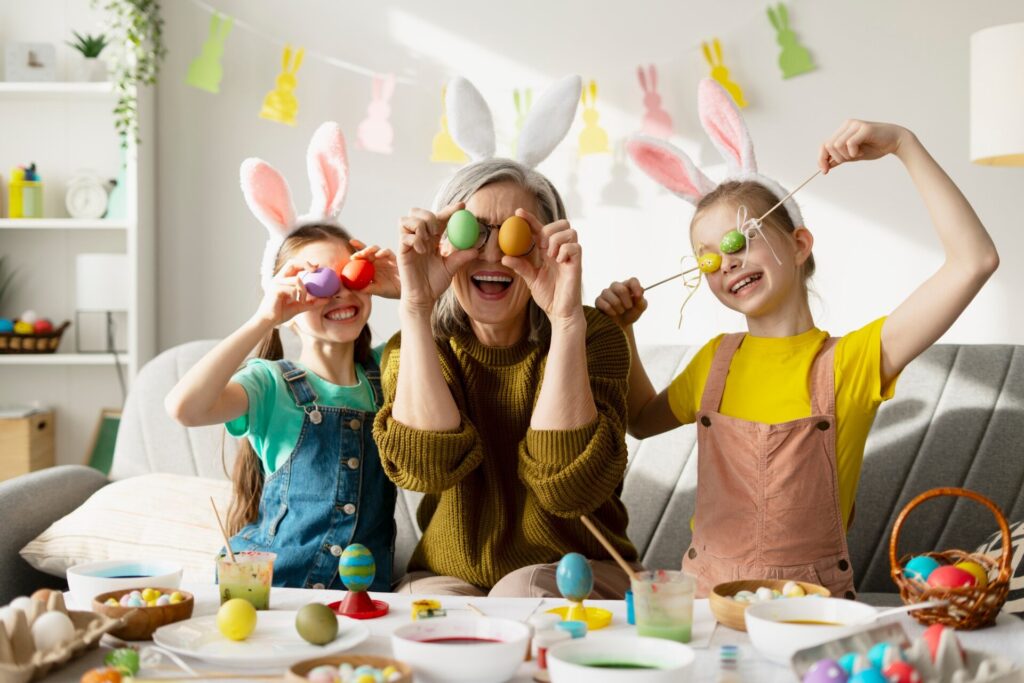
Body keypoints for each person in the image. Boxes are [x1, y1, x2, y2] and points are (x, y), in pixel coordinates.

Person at [597, 80, 999, 597]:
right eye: (709, 258)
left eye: (739, 240)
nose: (728, 262)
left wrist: (904, 144)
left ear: (799, 243)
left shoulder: (854, 361)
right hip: (705, 602)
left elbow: (975, 261)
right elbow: (639, 421)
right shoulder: (713, 362)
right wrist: (624, 331)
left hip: (809, 611)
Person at [372, 76, 639, 597]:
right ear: (444, 242)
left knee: (523, 592)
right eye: (474, 232)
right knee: (432, 610)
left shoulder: (593, 336)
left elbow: (571, 487)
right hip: (448, 577)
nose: (494, 255)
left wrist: (565, 322)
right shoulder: (417, 347)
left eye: (516, 235)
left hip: (580, 572)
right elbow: (424, 470)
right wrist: (416, 304)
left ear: (548, 245)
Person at [165, 123, 400, 591]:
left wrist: (407, 290)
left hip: (364, 600)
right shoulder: (270, 384)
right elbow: (184, 408)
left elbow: (449, 349)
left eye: (347, 277)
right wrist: (261, 318)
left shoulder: (388, 371)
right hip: (270, 590)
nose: (338, 295)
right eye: (318, 285)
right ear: (289, 311)